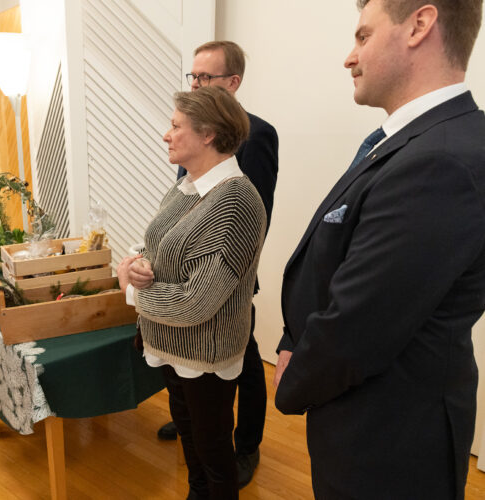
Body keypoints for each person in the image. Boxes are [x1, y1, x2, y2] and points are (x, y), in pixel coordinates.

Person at [274, 1, 485, 498]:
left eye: (363, 37)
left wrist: (293, 377)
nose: (349, 57)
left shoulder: (443, 159)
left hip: (390, 443)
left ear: (419, 25)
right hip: (364, 417)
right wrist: (291, 338)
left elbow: (359, 324)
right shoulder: (416, 142)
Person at [118, 86, 266, 499]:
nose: (166, 135)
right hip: (171, 344)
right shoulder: (186, 187)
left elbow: (195, 302)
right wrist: (137, 264)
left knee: (214, 454)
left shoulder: (235, 201)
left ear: (208, 135)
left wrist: (132, 292)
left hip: (205, 351)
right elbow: (160, 246)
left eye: (175, 126)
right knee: (192, 447)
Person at [158, 40, 278, 488]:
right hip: (190, 272)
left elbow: (252, 214)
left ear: (233, 82)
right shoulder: (192, 136)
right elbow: (186, 199)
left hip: (227, 272)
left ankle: (245, 444)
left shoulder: (257, 134)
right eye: (193, 77)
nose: (196, 83)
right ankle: (202, 425)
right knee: (202, 405)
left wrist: (143, 290)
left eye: (205, 78)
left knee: (242, 361)